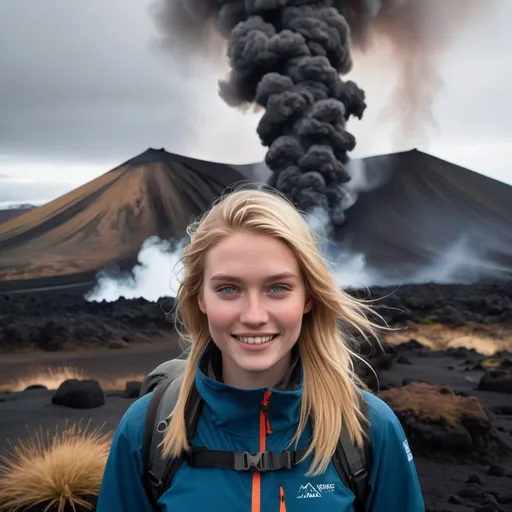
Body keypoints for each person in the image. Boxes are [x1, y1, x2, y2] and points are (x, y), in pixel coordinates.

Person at [96, 187, 425, 511]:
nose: (254, 316)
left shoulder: (369, 429)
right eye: (228, 289)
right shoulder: (143, 431)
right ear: (200, 298)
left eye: (278, 288)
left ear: (308, 297)